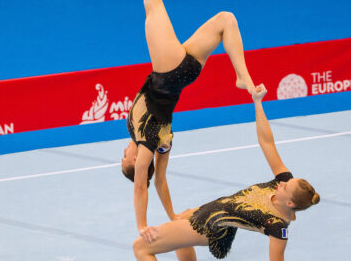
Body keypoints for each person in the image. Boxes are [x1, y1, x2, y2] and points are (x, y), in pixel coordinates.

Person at [117, 0, 258, 260]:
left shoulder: (158, 142)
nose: (123, 153)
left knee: (226, 19)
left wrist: (173, 217)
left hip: (183, 74)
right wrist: (142, 225)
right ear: (132, 161)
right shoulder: (147, 144)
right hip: (168, 73)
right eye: (124, 158)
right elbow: (143, 185)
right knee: (152, 0)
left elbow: (161, 181)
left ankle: (242, 77)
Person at [132, 84, 320, 260]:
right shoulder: (282, 181)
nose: (282, 182)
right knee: (179, 240)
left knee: (141, 247)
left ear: (289, 202)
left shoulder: (277, 226)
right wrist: (258, 103)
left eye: (286, 187)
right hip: (209, 212)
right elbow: (267, 143)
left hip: (210, 227)